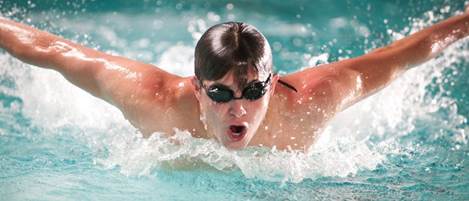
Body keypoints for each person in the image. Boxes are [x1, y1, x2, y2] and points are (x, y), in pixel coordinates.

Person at [1, 7, 468, 151]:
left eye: (253, 91)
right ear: (197, 87)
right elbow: (52, 51)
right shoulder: (154, 101)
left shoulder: (312, 102)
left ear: (274, 82)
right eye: (221, 93)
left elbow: (407, 53)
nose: (237, 108)